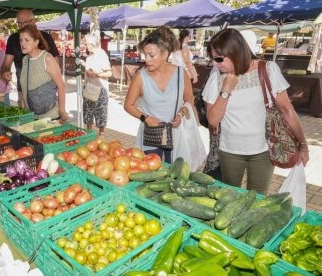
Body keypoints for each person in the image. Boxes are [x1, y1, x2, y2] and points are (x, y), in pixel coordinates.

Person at [202, 28, 309, 195]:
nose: (214, 64)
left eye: (218, 59)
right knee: (231, 197)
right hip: (229, 150)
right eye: (212, 59)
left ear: (236, 52)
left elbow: (288, 110)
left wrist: (303, 146)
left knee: (258, 198)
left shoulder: (267, 69)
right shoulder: (216, 76)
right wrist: (226, 89)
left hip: (264, 150)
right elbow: (213, 120)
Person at [124, 27, 194, 163]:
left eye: (151, 55)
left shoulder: (181, 74)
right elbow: (128, 105)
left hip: (175, 134)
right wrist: (145, 118)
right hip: (151, 135)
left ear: (165, 54)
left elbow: (189, 100)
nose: (146, 60)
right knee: (150, 175)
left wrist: (181, 114)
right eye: (145, 55)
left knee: (174, 175)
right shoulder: (140, 77)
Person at [2, 9, 59, 106]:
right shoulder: (13, 39)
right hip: (23, 89)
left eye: (24, 22)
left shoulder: (46, 37)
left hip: (44, 89)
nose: (21, 26)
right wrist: (6, 71)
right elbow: (7, 64)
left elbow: (56, 65)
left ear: (33, 21)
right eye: (19, 23)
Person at [18, 25, 68, 123]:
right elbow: (25, 88)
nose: (23, 43)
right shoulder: (25, 60)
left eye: (27, 40)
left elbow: (61, 85)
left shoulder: (46, 58)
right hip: (31, 117)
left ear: (36, 42)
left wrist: (62, 110)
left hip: (50, 118)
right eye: (21, 40)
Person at [83, 33, 112, 136]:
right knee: (88, 113)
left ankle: (101, 134)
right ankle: (89, 134)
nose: (85, 45)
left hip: (100, 90)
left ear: (91, 44)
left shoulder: (101, 54)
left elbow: (109, 73)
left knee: (101, 114)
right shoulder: (89, 56)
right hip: (89, 89)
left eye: (86, 43)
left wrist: (96, 74)